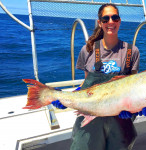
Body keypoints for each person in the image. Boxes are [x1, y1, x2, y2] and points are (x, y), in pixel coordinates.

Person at [52, 4, 140, 150]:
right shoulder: (88, 49)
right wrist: (68, 97)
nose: (110, 22)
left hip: (119, 119)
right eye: (106, 19)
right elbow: (87, 85)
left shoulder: (132, 51)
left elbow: (133, 88)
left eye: (115, 17)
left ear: (119, 21)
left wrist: (134, 109)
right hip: (90, 116)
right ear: (100, 22)